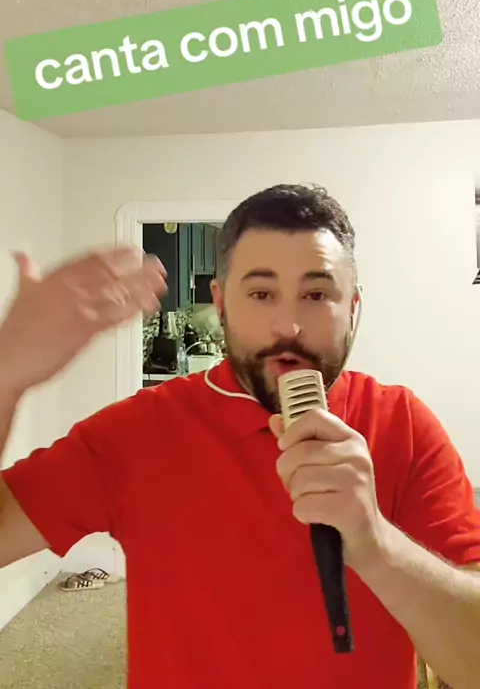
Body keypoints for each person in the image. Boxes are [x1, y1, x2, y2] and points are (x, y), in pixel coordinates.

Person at [0, 184, 479, 689]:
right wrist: (5, 374)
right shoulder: (138, 432)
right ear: (221, 303)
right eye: (261, 294)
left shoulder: (403, 424)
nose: (288, 326)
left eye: (317, 295)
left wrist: (378, 544)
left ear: (353, 306)